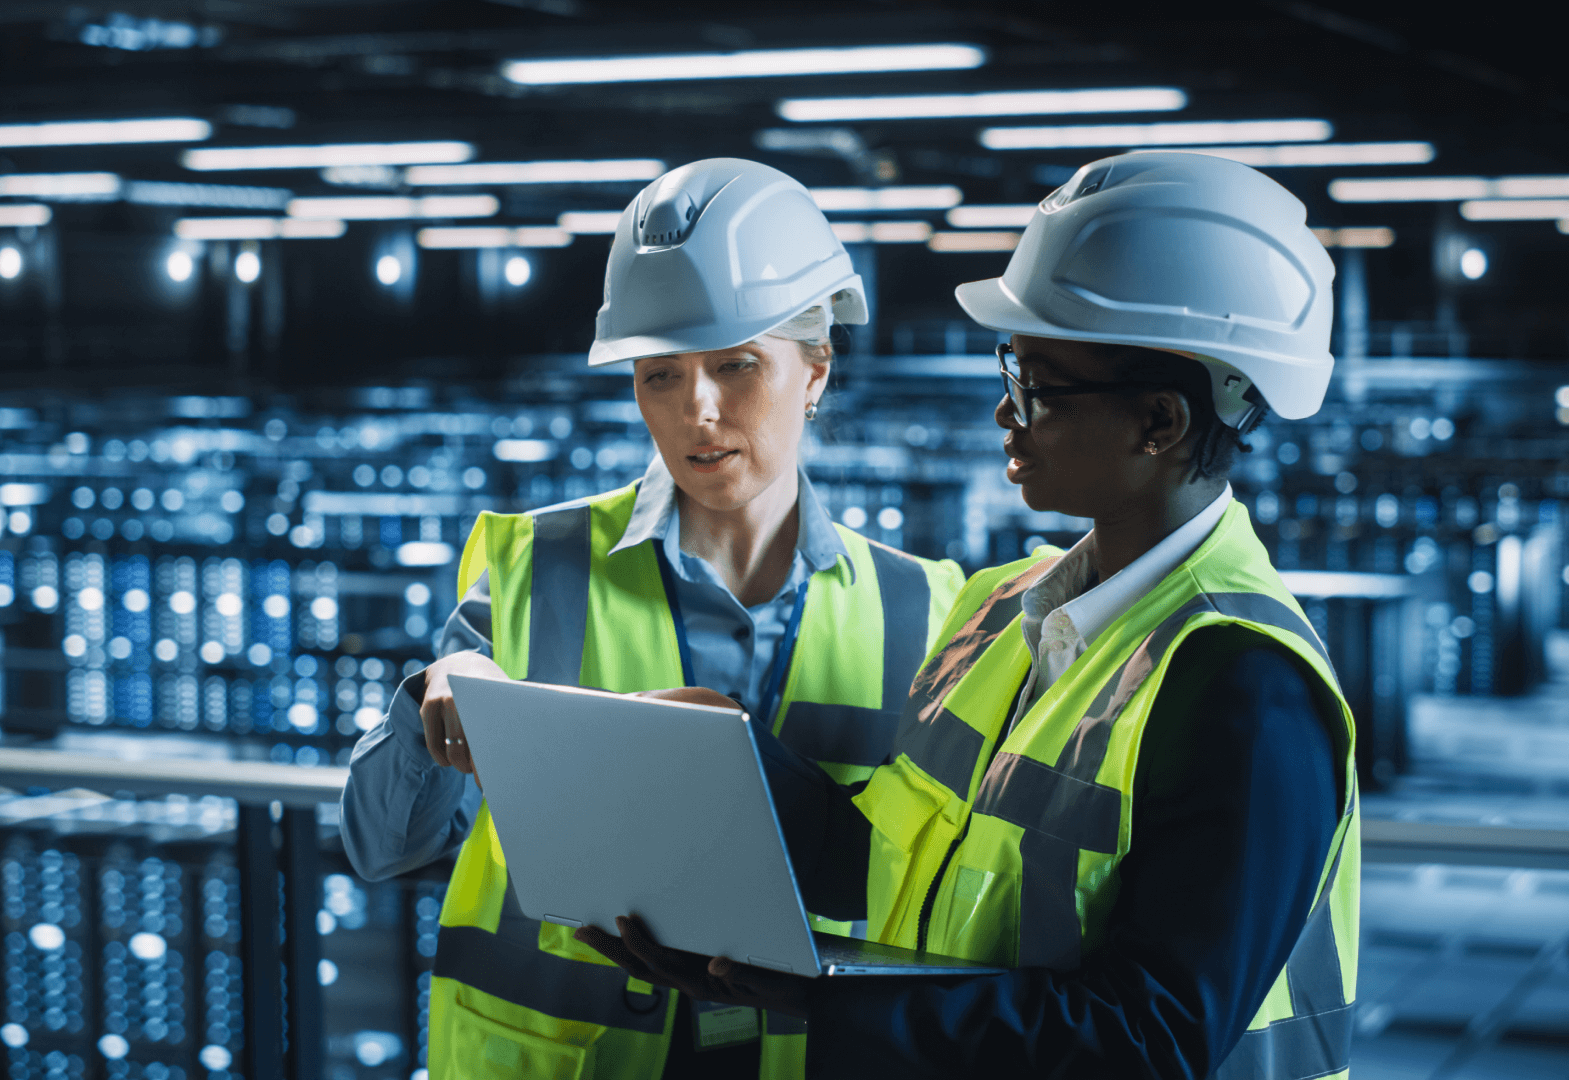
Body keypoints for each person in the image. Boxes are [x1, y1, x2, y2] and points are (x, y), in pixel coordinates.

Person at [576, 151, 1360, 1079]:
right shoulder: (999, 610)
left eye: (1039, 383)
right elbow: (892, 860)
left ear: (1160, 422)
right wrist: (736, 757)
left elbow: (1149, 1036)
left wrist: (816, 1000)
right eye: (1011, 369)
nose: (1005, 410)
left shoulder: (1244, 684)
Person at [338, 157, 966, 1080]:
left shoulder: (929, 610)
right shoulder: (534, 569)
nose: (696, 413)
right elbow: (382, 845)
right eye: (660, 375)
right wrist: (432, 700)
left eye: (735, 365)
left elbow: (943, 897)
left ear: (816, 371)